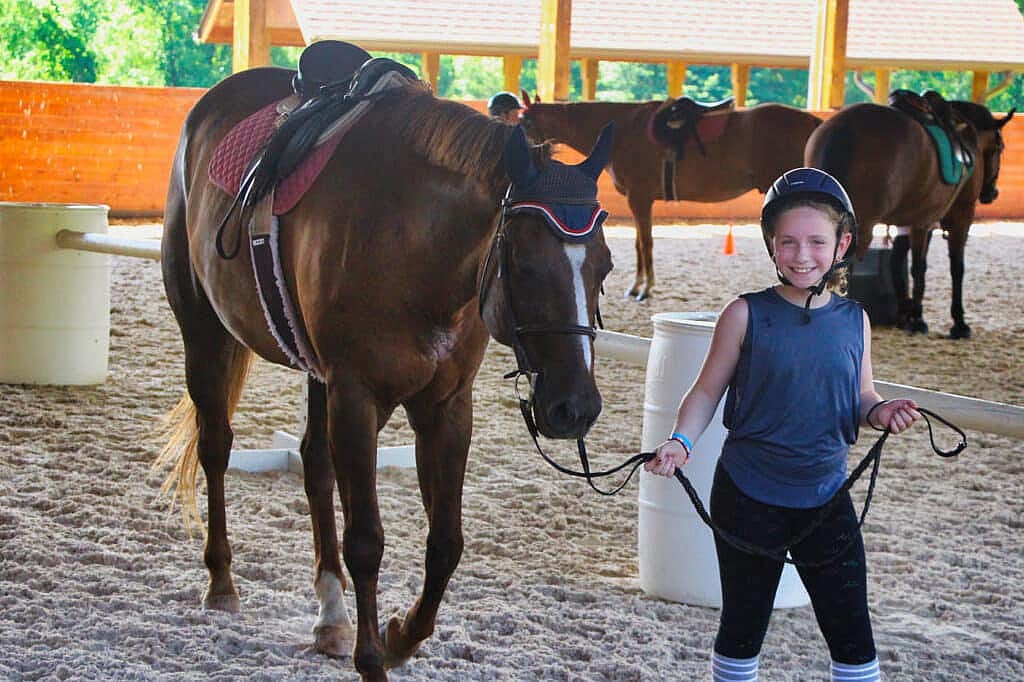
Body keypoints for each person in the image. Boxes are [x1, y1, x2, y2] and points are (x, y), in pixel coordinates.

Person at [644, 167, 921, 682]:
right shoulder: (743, 314)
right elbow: (705, 391)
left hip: (825, 494)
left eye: (816, 241)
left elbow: (861, 395)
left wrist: (881, 412)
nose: (801, 255)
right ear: (772, 244)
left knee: (852, 633)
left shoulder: (855, 318)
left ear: (841, 245)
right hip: (749, 497)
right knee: (744, 626)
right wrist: (681, 442)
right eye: (788, 242)